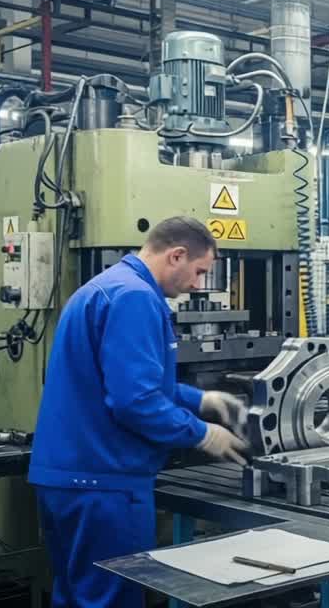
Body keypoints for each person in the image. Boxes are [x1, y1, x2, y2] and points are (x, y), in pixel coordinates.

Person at [29, 216, 251, 607]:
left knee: (79, 594)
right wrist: (202, 433)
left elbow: (130, 383)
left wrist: (201, 401)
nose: (197, 285)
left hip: (70, 480)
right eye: (199, 272)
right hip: (104, 484)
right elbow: (136, 403)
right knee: (112, 598)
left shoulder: (107, 287)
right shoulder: (136, 298)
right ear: (177, 255)